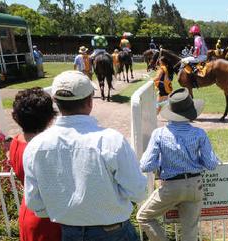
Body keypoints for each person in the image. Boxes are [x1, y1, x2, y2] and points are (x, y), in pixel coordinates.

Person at [23, 70, 147, 240]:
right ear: (90, 101)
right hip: (114, 232)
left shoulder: (35, 146)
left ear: (55, 102)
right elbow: (138, 192)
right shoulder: (112, 140)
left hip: (69, 233)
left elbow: (35, 203)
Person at [137, 88, 219, 241]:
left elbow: (145, 165)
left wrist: (161, 162)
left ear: (171, 110)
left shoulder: (159, 134)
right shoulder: (199, 133)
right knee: (190, 234)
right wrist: (196, 162)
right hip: (195, 185)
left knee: (144, 217)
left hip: (171, 187)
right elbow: (212, 164)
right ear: (191, 111)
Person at [10, 87, 61, 241]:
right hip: (49, 219)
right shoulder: (48, 149)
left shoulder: (15, 142)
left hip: (27, 212)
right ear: (50, 117)